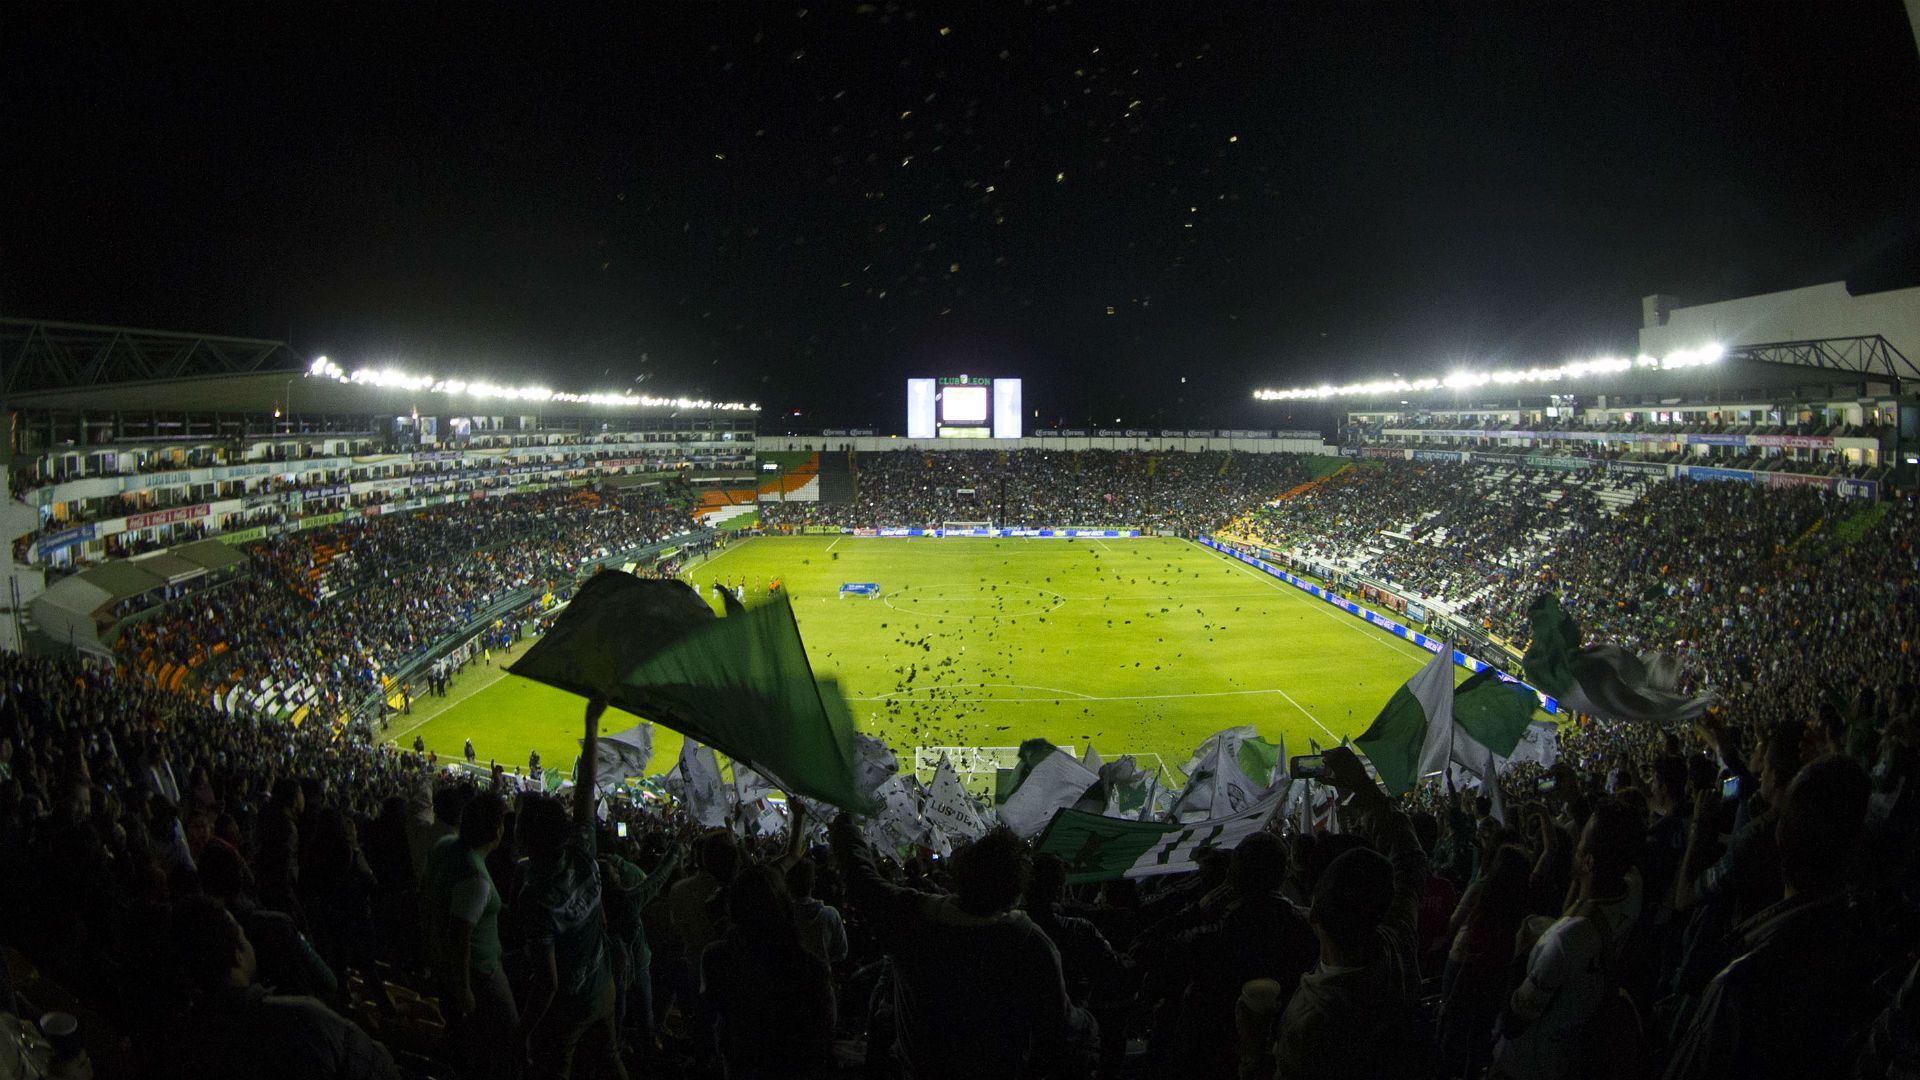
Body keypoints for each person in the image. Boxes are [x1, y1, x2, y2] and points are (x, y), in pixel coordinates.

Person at [1666, 754, 1883, 1080]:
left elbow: (1684, 898)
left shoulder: (1741, 984)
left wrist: (1700, 826)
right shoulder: (1870, 942)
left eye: (1765, 765)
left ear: (1779, 836)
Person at [829, 813, 1094, 1079]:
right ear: (1016, 892)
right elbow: (1059, 1025)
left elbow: (859, 875)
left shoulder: (910, 916)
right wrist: (1090, 1020)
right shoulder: (1031, 945)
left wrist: (845, 820)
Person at [1490, 797, 1645, 1080]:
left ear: (1588, 862)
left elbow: (1515, 1020)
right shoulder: (1633, 891)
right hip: (1567, 1055)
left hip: (1526, 1065)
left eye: (1581, 840)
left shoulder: (1563, 942)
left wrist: (1522, 953)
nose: (1575, 845)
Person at [164, 895, 400, 1079]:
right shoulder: (303, 1019)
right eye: (243, 935)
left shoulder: (177, 1051)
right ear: (237, 956)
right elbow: (378, 1067)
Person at [517, 701, 626, 1080]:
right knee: (611, 1060)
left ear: (525, 839)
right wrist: (591, 725)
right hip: (604, 985)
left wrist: (522, 1030)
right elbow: (585, 792)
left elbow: (547, 982)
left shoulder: (534, 896)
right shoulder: (582, 853)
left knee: (556, 1068)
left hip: (571, 1004)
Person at [699, 864, 837, 1079]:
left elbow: (711, 1011)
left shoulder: (716, 957)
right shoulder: (809, 967)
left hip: (741, 1064)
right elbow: (825, 1029)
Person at [421, 792, 516, 1080]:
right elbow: (459, 938)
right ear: (496, 831)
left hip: (447, 967)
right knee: (508, 1035)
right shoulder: (475, 879)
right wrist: (464, 991)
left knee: (466, 1036)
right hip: (481, 973)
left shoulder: (445, 845)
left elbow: (427, 898)